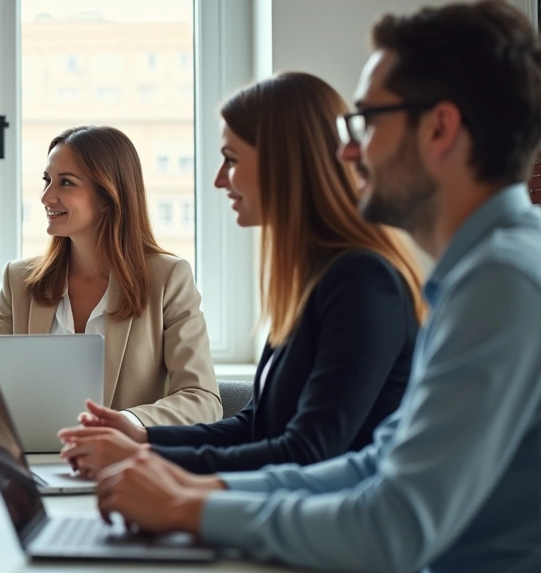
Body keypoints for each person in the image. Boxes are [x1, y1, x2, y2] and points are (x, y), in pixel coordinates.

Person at [93, 2, 541, 573]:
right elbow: (372, 466)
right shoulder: (480, 274)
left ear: (439, 129)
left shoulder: (503, 282)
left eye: (365, 121)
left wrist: (191, 508)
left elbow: (390, 528)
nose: (349, 148)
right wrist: (194, 495)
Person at [60, 72, 425, 477]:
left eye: (231, 160)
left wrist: (142, 460)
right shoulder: (312, 280)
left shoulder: (362, 283)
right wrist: (141, 438)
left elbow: (307, 452)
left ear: (283, 163)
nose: (219, 179)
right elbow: (256, 426)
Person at [0, 126, 221, 427]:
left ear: (107, 197)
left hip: (121, 463)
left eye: (66, 183)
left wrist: (125, 423)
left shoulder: (167, 279)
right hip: (33, 461)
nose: (47, 196)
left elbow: (201, 399)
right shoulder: (18, 279)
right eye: (47, 180)